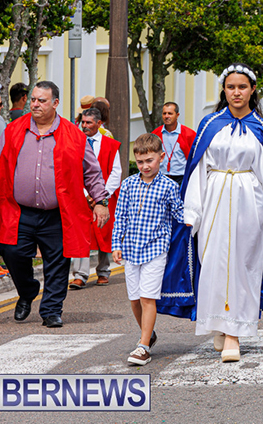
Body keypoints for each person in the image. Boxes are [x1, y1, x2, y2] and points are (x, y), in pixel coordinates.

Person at [161, 63, 263, 363]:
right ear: (224, 90)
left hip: (250, 202)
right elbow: (198, 171)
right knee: (214, 263)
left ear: (252, 91)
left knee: (242, 265)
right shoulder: (210, 125)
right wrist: (191, 212)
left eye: (242, 87)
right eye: (231, 87)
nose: (237, 92)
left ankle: (233, 332)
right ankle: (219, 323)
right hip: (214, 201)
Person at [0, 81, 110, 328]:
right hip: (19, 211)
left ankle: (51, 310)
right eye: (34, 100)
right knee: (11, 252)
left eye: (42, 100)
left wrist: (100, 201)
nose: (35, 104)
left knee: (57, 262)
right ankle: (28, 291)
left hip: (57, 213)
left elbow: (91, 171)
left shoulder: (74, 135)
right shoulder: (14, 129)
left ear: (55, 103)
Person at [112, 134, 185, 366]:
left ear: (161, 158)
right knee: (134, 299)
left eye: (150, 161)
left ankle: (143, 346)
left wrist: (196, 219)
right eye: (140, 162)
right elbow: (120, 217)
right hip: (131, 250)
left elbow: (180, 214)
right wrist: (116, 244)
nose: (145, 166)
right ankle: (149, 333)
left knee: (147, 297)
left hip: (156, 249)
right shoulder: (128, 185)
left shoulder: (169, 186)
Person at [69, 108, 122, 290]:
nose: (84, 126)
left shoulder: (111, 145)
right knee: (81, 233)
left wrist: (101, 194)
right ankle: (80, 275)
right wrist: (86, 193)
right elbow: (72, 170)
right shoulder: (75, 143)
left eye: (89, 122)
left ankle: (103, 271)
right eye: (83, 122)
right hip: (81, 196)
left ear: (99, 124)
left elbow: (116, 172)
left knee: (103, 232)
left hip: (104, 196)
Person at [152, 102, 197, 185]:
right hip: (161, 176)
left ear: (177, 115)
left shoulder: (189, 134)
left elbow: (195, 157)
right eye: (164, 113)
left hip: (181, 177)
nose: (167, 116)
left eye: (170, 113)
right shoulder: (155, 134)